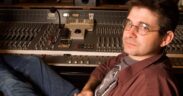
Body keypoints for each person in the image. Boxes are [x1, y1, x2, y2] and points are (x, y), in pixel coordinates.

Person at [0, 0, 180, 96]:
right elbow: (105, 67)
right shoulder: (134, 54)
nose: (130, 33)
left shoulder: (154, 85)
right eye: (130, 23)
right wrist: (88, 88)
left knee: (13, 85)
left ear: (166, 38)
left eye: (144, 27)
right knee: (32, 62)